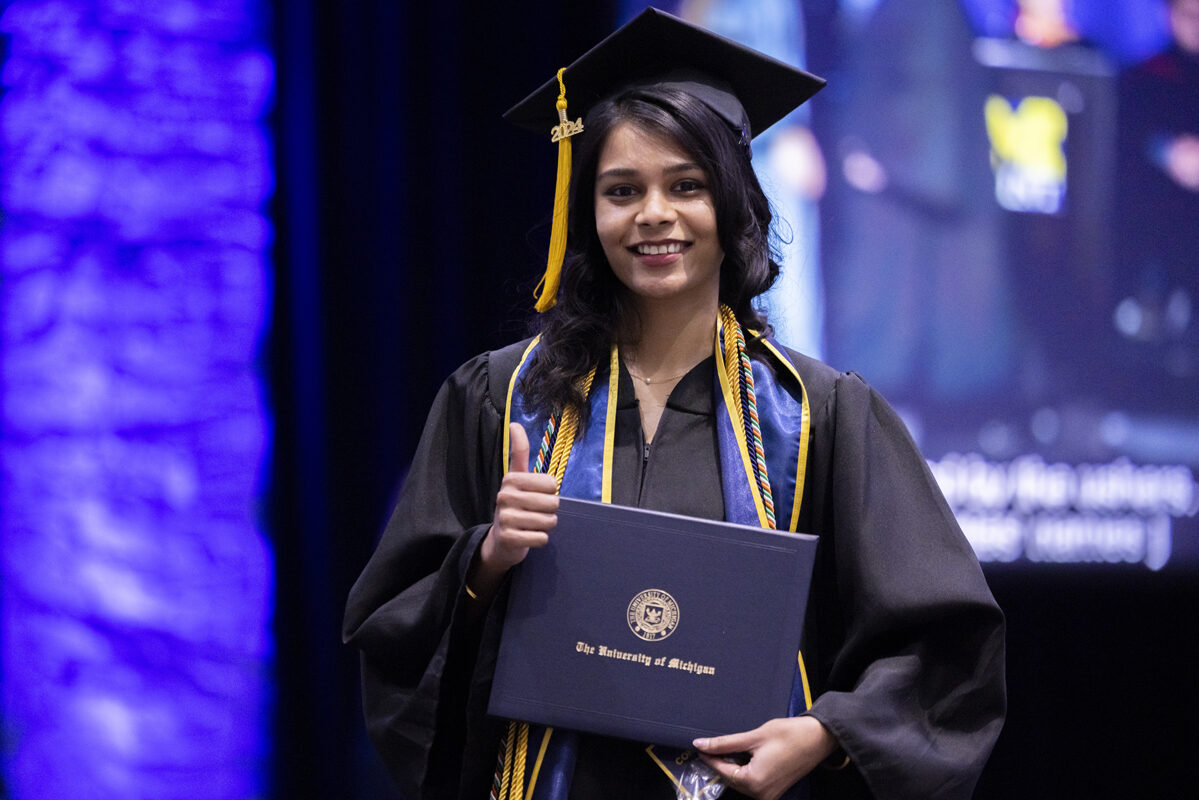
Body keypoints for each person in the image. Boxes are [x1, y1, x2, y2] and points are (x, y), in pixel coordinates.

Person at [343, 9, 1005, 800]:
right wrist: (485, 562)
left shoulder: (818, 415)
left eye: (686, 185)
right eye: (621, 190)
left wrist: (825, 734)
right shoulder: (500, 399)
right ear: (588, 213)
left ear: (732, 206)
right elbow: (389, 637)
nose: (653, 214)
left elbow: (945, 644)